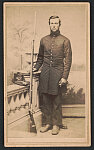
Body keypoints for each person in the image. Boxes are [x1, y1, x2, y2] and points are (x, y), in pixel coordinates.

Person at [33, 16, 72, 135]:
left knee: (56, 100)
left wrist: (64, 77)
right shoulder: (43, 40)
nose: (54, 25)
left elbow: (68, 60)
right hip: (45, 73)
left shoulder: (65, 40)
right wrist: (34, 69)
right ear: (49, 24)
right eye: (51, 23)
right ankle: (48, 123)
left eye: (56, 23)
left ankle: (56, 125)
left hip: (58, 73)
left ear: (60, 24)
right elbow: (40, 58)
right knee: (45, 100)